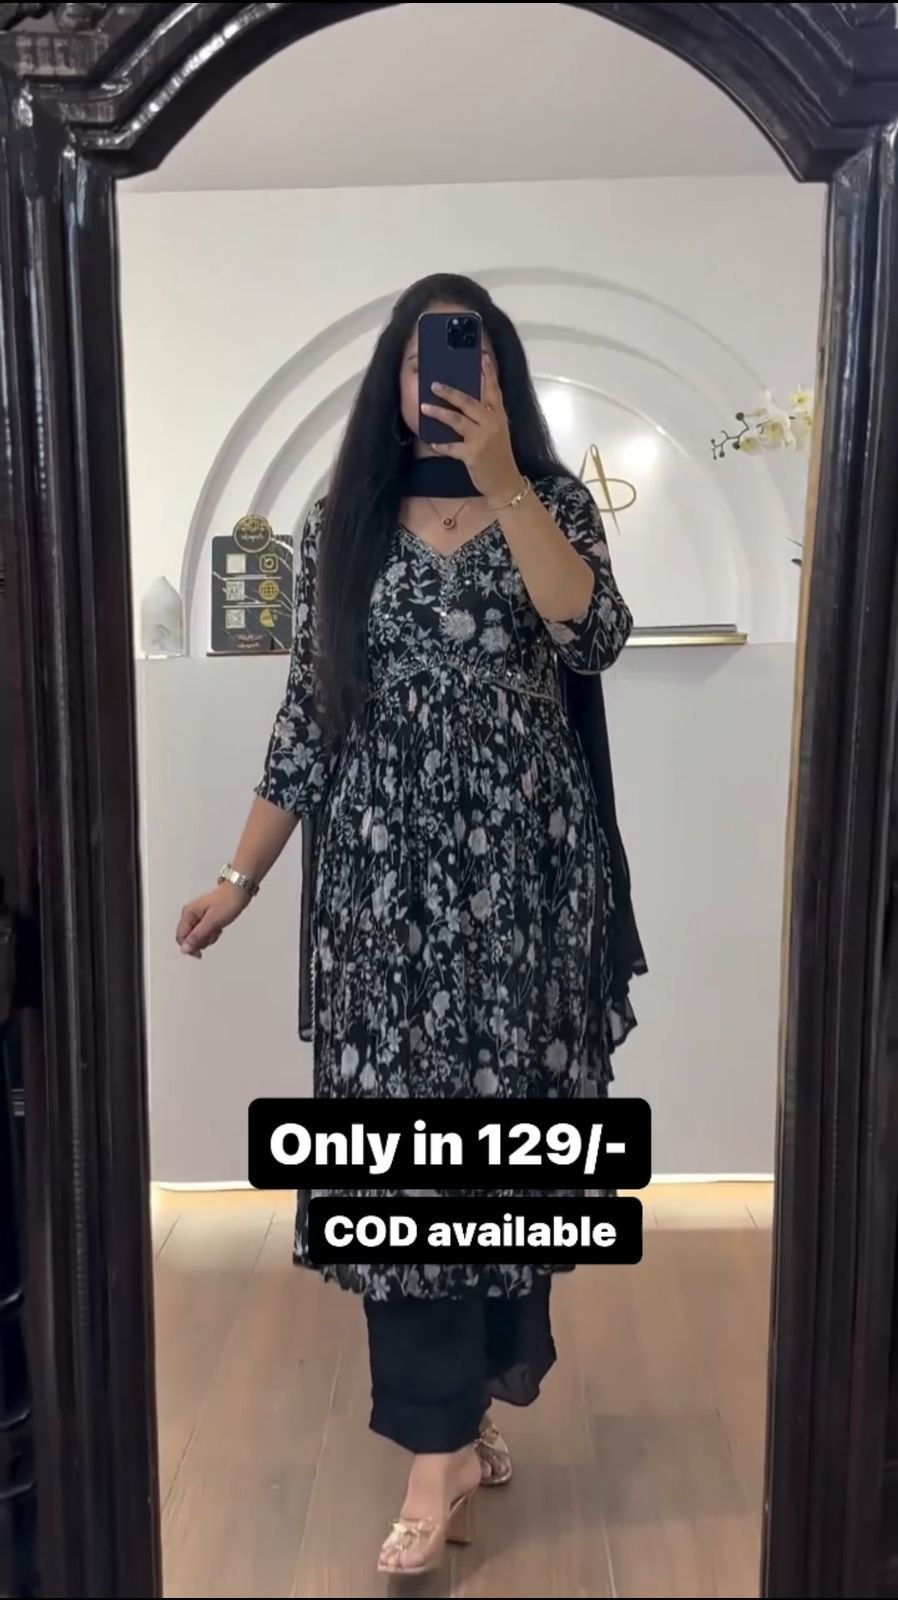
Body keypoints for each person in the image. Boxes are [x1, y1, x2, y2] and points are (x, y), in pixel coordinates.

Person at [176, 273, 639, 1577]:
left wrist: (503, 483)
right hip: (382, 903)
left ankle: (469, 1402)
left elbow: (593, 636)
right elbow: (308, 722)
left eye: (468, 359)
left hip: (526, 895)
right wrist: (239, 877)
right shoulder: (345, 522)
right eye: (422, 360)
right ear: (393, 380)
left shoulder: (551, 505)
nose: (441, 381)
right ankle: (434, 1456)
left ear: (500, 379)